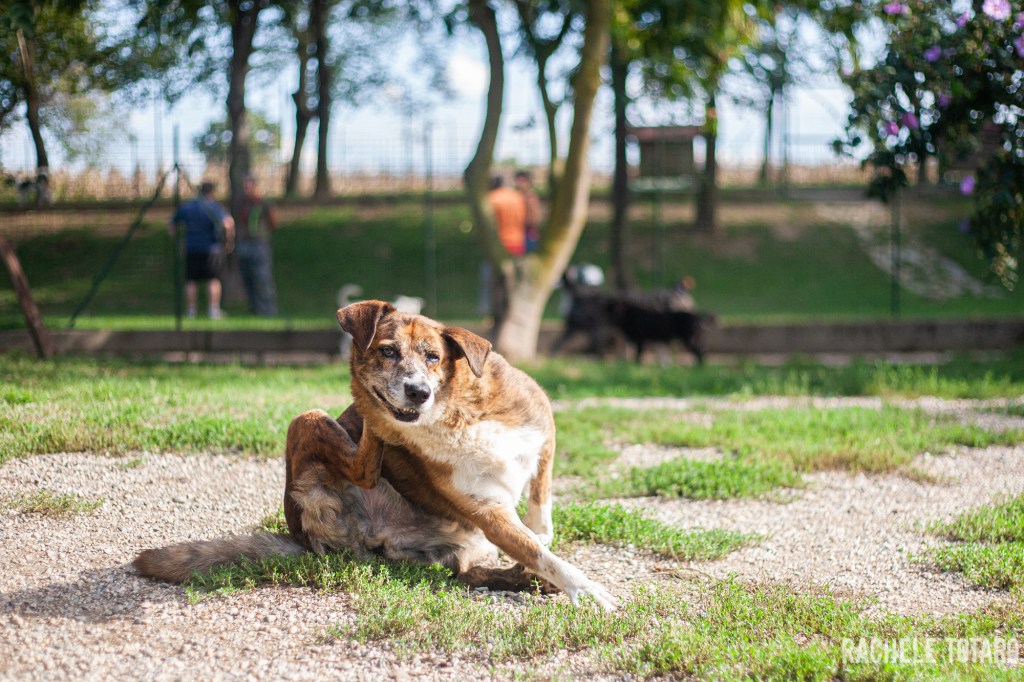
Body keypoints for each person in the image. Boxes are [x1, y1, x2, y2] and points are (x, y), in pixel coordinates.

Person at [168, 181, 233, 319]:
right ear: (211, 192)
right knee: (213, 279)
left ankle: (191, 311)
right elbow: (228, 223)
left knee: (191, 280)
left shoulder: (187, 207)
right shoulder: (214, 207)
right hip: (212, 249)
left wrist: (179, 242)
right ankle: (213, 310)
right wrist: (228, 241)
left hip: (191, 248)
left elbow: (171, 223)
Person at [480, 176, 527, 320]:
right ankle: (513, 312)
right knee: (513, 282)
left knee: (492, 281)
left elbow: (488, 224)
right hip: (518, 243)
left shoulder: (492, 199)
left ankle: (490, 312)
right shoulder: (518, 197)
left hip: (500, 243)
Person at [236, 175, 278, 316]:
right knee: (248, 277)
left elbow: (272, 221)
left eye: (248, 186)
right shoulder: (243, 203)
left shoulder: (263, 202)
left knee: (263, 277)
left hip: (259, 243)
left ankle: (268, 309)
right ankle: (254, 308)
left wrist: (263, 233)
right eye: (244, 187)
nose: (246, 189)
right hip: (244, 243)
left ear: (254, 186)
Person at [514, 170, 542, 253]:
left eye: (522, 181)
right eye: (518, 180)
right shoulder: (516, 196)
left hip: (528, 234)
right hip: (518, 235)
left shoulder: (530, 197)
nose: (519, 184)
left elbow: (535, 218)